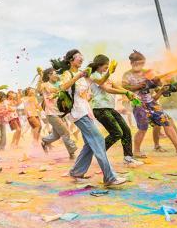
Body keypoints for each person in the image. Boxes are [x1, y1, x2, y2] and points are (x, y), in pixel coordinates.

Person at [54, 49, 127, 187]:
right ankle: (110, 177)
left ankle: (76, 172)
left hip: (87, 111)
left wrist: (109, 72)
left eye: (82, 57)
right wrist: (77, 76)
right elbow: (63, 87)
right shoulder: (67, 74)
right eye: (78, 57)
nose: (81, 59)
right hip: (77, 113)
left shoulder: (86, 74)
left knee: (89, 144)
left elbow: (100, 82)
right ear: (71, 60)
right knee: (98, 140)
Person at [122, 51, 177, 157]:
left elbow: (157, 86)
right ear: (132, 63)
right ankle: (136, 151)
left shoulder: (148, 72)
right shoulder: (127, 75)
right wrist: (137, 87)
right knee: (143, 128)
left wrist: (163, 86)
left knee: (167, 122)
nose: (140, 66)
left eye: (142, 63)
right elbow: (124, 87)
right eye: (138, 63)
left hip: (152, 102)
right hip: (138, 103)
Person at [87, 55, 144, 166]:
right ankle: (99, 153)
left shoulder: (106, 76)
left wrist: (130, 93)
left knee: (126, 130)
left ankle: (128, 158)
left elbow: (117, 86)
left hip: (109, 107)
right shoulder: (94, 75)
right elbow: (107, 89)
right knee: (117, 133)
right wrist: (126, 93)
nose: (107, 68)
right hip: (100, 108)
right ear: (99, 65)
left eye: (108, 66)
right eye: (106, 66)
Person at [38, 68, 77, 159]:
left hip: (60, 113)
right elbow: (39, 89)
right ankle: (72, 153)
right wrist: (40, 75)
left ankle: (45, 141)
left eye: (57, 74)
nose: (56, 75)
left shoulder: (60, 84)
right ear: (49, 75)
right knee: (66, 132)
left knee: (56, 135)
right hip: (51, 113)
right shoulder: (45, 85)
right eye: (54, 74)